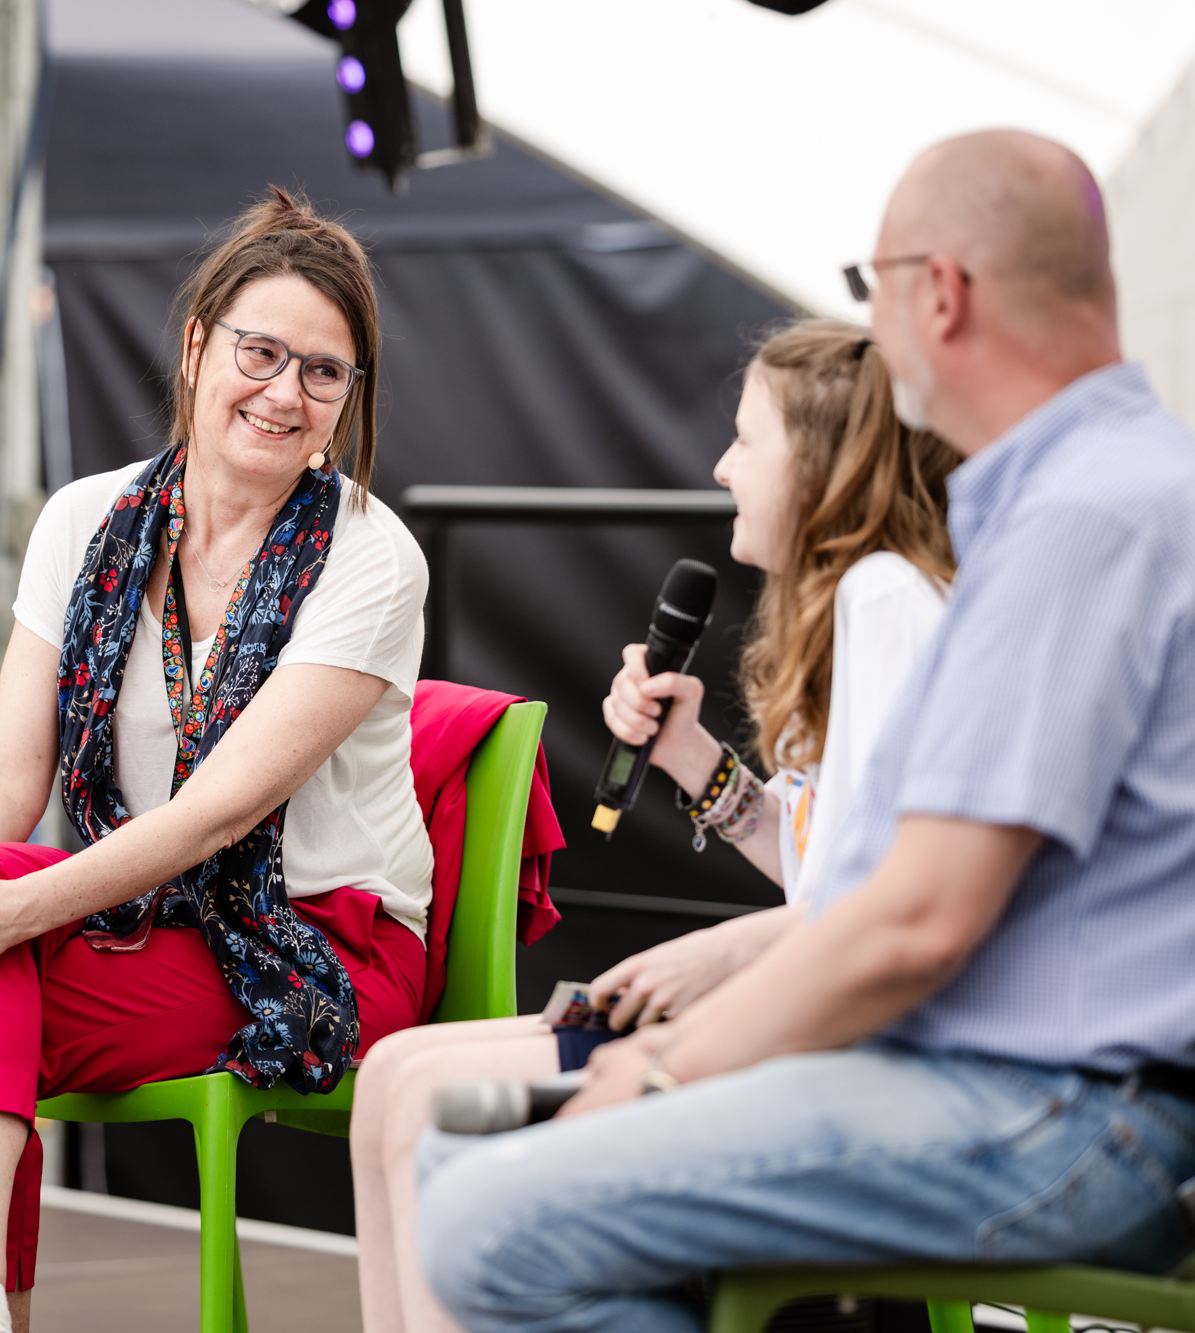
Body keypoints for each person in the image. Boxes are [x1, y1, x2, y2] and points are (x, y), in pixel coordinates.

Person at [415, 128, 1195, 1333]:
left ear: (936, 294)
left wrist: (670, 1065)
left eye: (864, 288)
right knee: (461, 1171)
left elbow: (911, 920)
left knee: (483, 1215)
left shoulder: (1077, 524)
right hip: (1033, 1092)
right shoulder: (1097, 495)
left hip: (1058, 1113)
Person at [0, 188, 432, 1333]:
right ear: (194, 345)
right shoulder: (82, 519)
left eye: (324, 373)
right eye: (260, 353)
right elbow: (5, 778)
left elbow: (217, 815)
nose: (284, 394)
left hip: (317, 943)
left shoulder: (371, 558)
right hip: (143, 921)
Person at [349, 316, 958, 1333]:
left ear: (815, 464)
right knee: (389, 1074)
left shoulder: (885, 597)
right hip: (807, 1011)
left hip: (835, 1045)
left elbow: (875, 899)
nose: (721, 468)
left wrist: (711, 958)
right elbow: (820, 863)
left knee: (420, 1100)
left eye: (745, 439)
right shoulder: (859, 603)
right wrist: (690, 759)